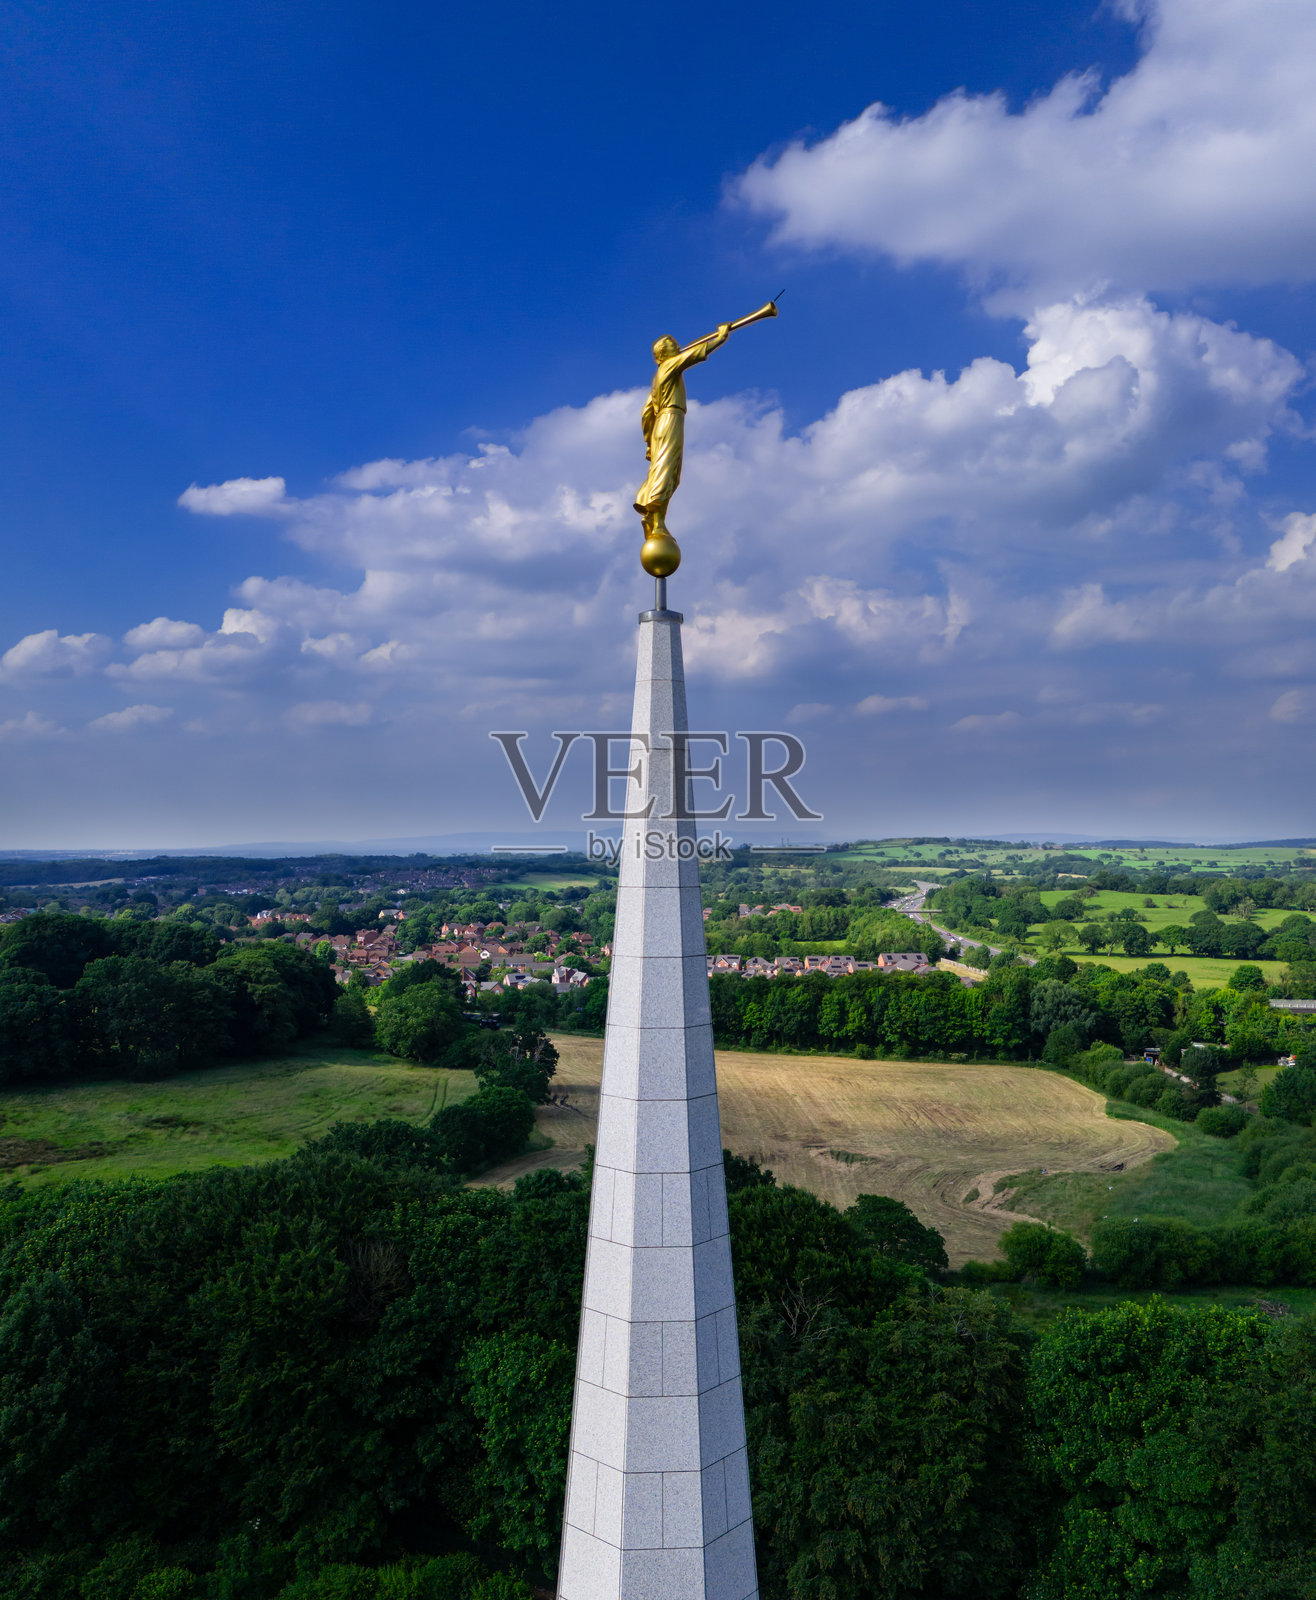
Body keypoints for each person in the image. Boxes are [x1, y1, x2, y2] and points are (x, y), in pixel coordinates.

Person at [634, 323, 731, 547]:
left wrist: (649, 441)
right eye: (673, 345)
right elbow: (696, 355)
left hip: (663, 423)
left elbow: (646, 412)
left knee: (671, 472)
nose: (678, 346)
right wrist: (721, 337)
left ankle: (655, 516)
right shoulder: (668, 367)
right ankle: (654, 515)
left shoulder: (658, 378)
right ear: (663, 355)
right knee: (667, 470)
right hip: (670, 419)